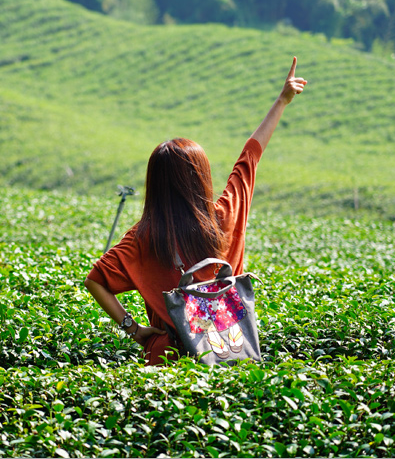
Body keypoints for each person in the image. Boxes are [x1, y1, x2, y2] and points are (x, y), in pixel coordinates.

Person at [83, 57, 308, 365]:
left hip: (166, 355)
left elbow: (95, 280)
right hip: (227, 348)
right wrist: (282, 101)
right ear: (200, 177)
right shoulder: (224, 217)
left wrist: (133, 329)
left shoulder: (142, 238)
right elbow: (250, 157)